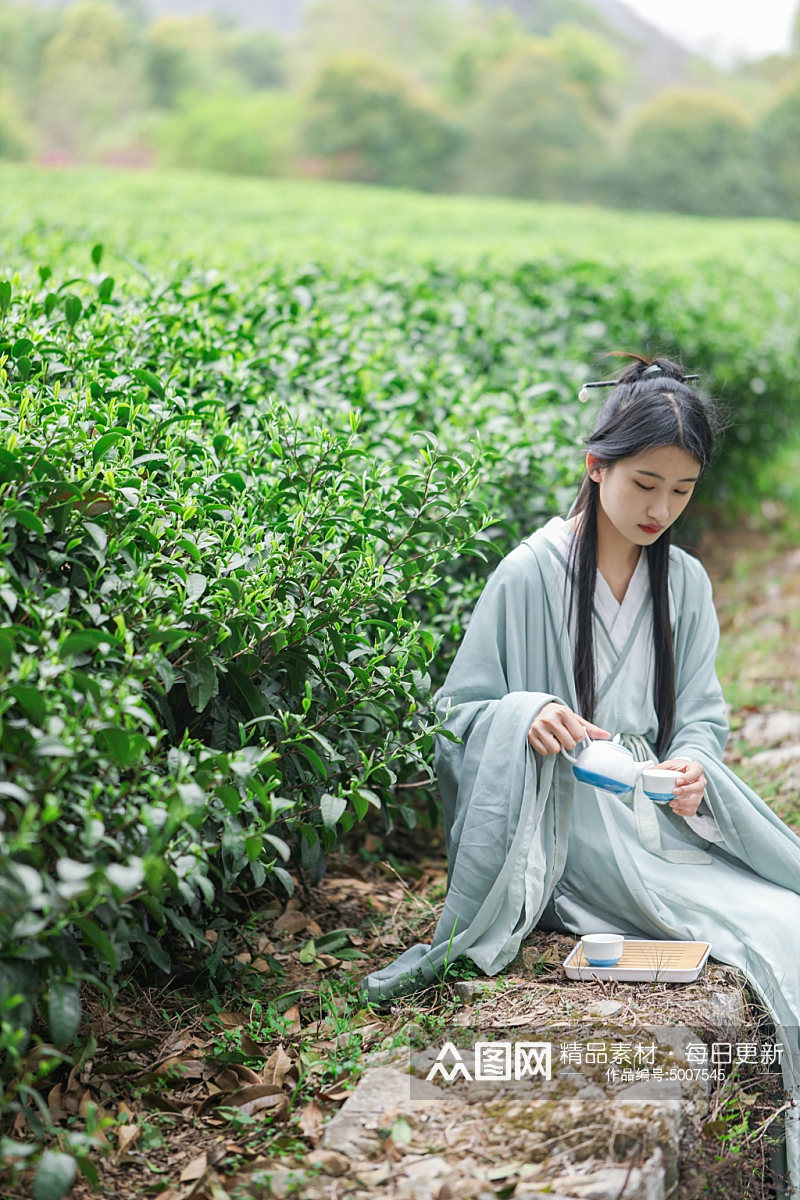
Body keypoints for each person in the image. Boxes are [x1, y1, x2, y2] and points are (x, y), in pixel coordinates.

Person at [361, 354, 800, 1197]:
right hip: (567, 813)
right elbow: (459, 712)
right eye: (643, 483)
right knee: (765, 927)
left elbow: (702, 716)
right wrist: (525, 714)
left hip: (657, 808)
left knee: (784, 910)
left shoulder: (688, 582)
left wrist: (694, 764)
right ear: (594, 466)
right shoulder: (529, 573)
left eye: (681, 490)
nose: (660, 509)